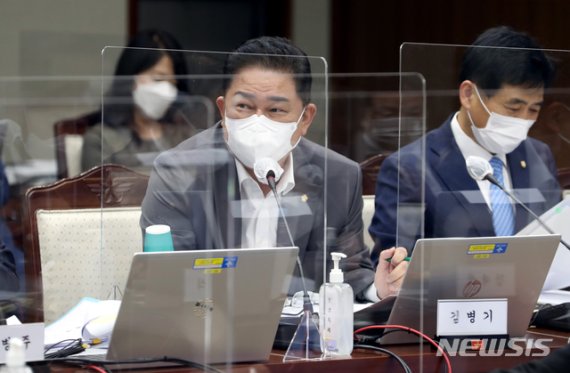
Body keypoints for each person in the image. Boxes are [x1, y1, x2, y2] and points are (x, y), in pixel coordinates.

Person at [141, 36, 397, 301]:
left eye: (275, 109)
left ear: (305, 118)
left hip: (301, 336)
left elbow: (349, 270)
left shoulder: (339, 176)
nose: (258, 122)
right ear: (222, 109)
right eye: (243, 106)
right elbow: (169, 280)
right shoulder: (179, 172)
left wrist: (379, 288)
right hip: (209, 328)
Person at [369, 26, 561, 266]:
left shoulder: (538, 155)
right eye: (513, 108)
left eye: (533, 109)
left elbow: (555, 244)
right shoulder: (409, 168)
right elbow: (390, 264)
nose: (523, 120)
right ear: (469, 94)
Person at [81, 29, 208, 172]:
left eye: (172, 84)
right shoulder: (101, 140)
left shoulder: (187, 137)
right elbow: (99, 192)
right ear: (130, 78)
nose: (166, 91)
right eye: (158, 79)